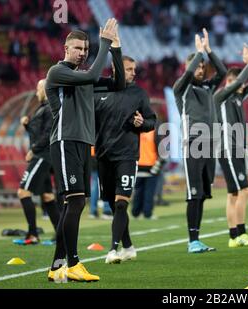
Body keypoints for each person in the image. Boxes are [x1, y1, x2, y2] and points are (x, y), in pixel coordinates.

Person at [46, 19, 125, 282]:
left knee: (73, 203)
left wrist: (115, 48)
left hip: (82, 143)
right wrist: (103, 41)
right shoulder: (57, 73)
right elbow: (91, 75)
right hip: (65, 141)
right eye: (78, 48)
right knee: (77, 201)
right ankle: (73, 264)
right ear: (66, 48)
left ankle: (57, 266)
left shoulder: (83, 78)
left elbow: (119, 84)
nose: (82, 52)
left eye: (85, 48)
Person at [95, 55, 156, 264]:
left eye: (133, 69)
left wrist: (143, 122)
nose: (132, 73)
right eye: (129, 69)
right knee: (114, 205)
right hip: (103, 156)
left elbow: (152, 121)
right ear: (115, 69)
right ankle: (129, 246)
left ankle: (113, 250)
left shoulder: (139, 93)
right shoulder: (100, 89)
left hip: (127, 156)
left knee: (121, 204)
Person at [173, 29, 227, 253]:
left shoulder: (207, 87)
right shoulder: (182, 89)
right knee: (193, 194)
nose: (200, 69)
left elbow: (222, 71)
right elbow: (186, 75)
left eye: (203, 67)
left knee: (203, 194)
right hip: (193, 145)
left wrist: (208, 51)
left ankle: (197, 239)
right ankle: (191, 241)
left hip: (209, 146)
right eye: (197, 66)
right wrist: (197, 54)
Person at [214, 44, 248, 248]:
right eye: (232, 81)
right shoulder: (221, 97)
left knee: (233, 193)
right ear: (228, 82)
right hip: (228, 149)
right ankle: (241, 233)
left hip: (236, 150)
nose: (237, 85)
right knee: (245, 191)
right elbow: (241, 82)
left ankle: (233, 236)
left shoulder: (238, 98)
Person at [16, 79, 60, 245]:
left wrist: (33, 150)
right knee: (47, 196)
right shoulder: (43, 108)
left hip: (42, 156)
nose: (36, 92)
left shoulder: (50, 109)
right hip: (43, 156)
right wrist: (27, 125)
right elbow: (39, 131)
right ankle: (60, 233)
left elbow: (48, 134)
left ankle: (32, 234)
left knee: (23, 192)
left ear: (46, 89)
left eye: (38, 89)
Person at [132, 121, 165, 219]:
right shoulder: (154, 131)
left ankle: (136, 213)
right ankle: (147, 213)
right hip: (150, 166)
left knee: (138, 192)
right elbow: (162, 151)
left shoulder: (135, 130)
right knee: (149, 192)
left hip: (138, 165)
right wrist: (157, 166)